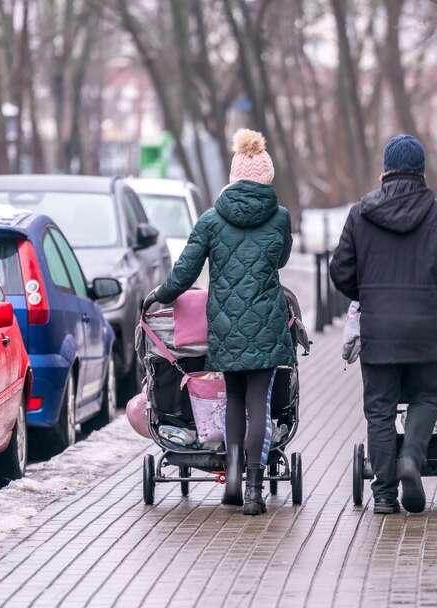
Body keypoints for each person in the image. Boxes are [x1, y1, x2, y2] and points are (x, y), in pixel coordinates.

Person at [146, 129, 293, 516]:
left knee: (235, 397)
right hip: (267, 321)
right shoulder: (279, 218)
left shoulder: (212, 220)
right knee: (260, 402)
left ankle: (231, 475)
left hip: (226, 324)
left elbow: (185, 271)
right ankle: (255, 489)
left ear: (233, 175)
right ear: (267, 176)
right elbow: (281, 261)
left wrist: (160, 295)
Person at [329, 134, 437, 515]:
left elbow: (340, 270)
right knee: (427, 396)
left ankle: (383, 495)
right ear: (421, 171)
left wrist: (367, 294)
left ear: (386, 171)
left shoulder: (361, 213)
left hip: (378, 332)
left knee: (379, 410)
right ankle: (411, 457)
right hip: (425, 329)